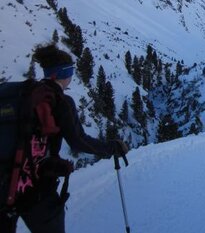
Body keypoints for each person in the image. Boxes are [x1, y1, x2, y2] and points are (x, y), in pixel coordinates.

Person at [0, 43, 128, 233]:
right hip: (37, 187)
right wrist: (112, 148)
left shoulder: (21, 95)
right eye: (70, 73)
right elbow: (78, 141)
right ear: (61, 74)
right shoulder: (60, 101)